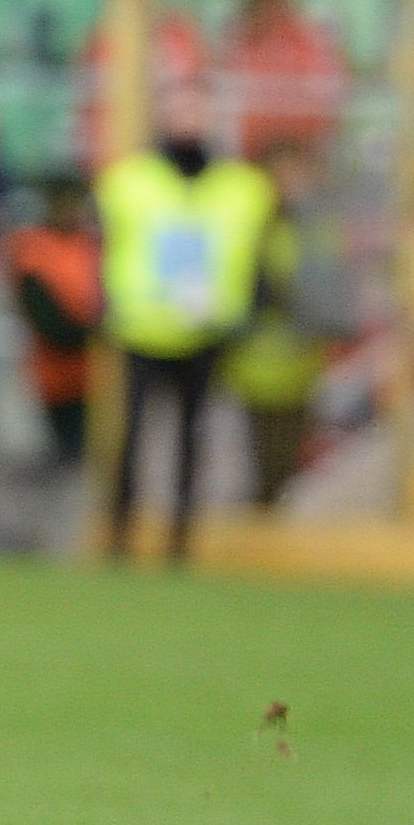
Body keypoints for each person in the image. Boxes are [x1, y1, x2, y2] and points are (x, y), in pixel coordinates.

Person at [95, 83, 274, 564]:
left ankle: (181, 539)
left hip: (207, 331)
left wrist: (246, 312)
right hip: (141, 330)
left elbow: (256, 258)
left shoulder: (242, 186)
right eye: (182, 108)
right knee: (132, 437)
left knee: (192, 440)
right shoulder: (129, 180)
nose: (190, 119)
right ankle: (119, 533)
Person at [6, 173, 103, 466]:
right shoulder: (32, 249)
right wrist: (96, 333)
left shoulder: (91, 244)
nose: (70, 211)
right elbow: (47, 321)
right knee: (66, 455)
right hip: (56, 378)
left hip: (96, 378)